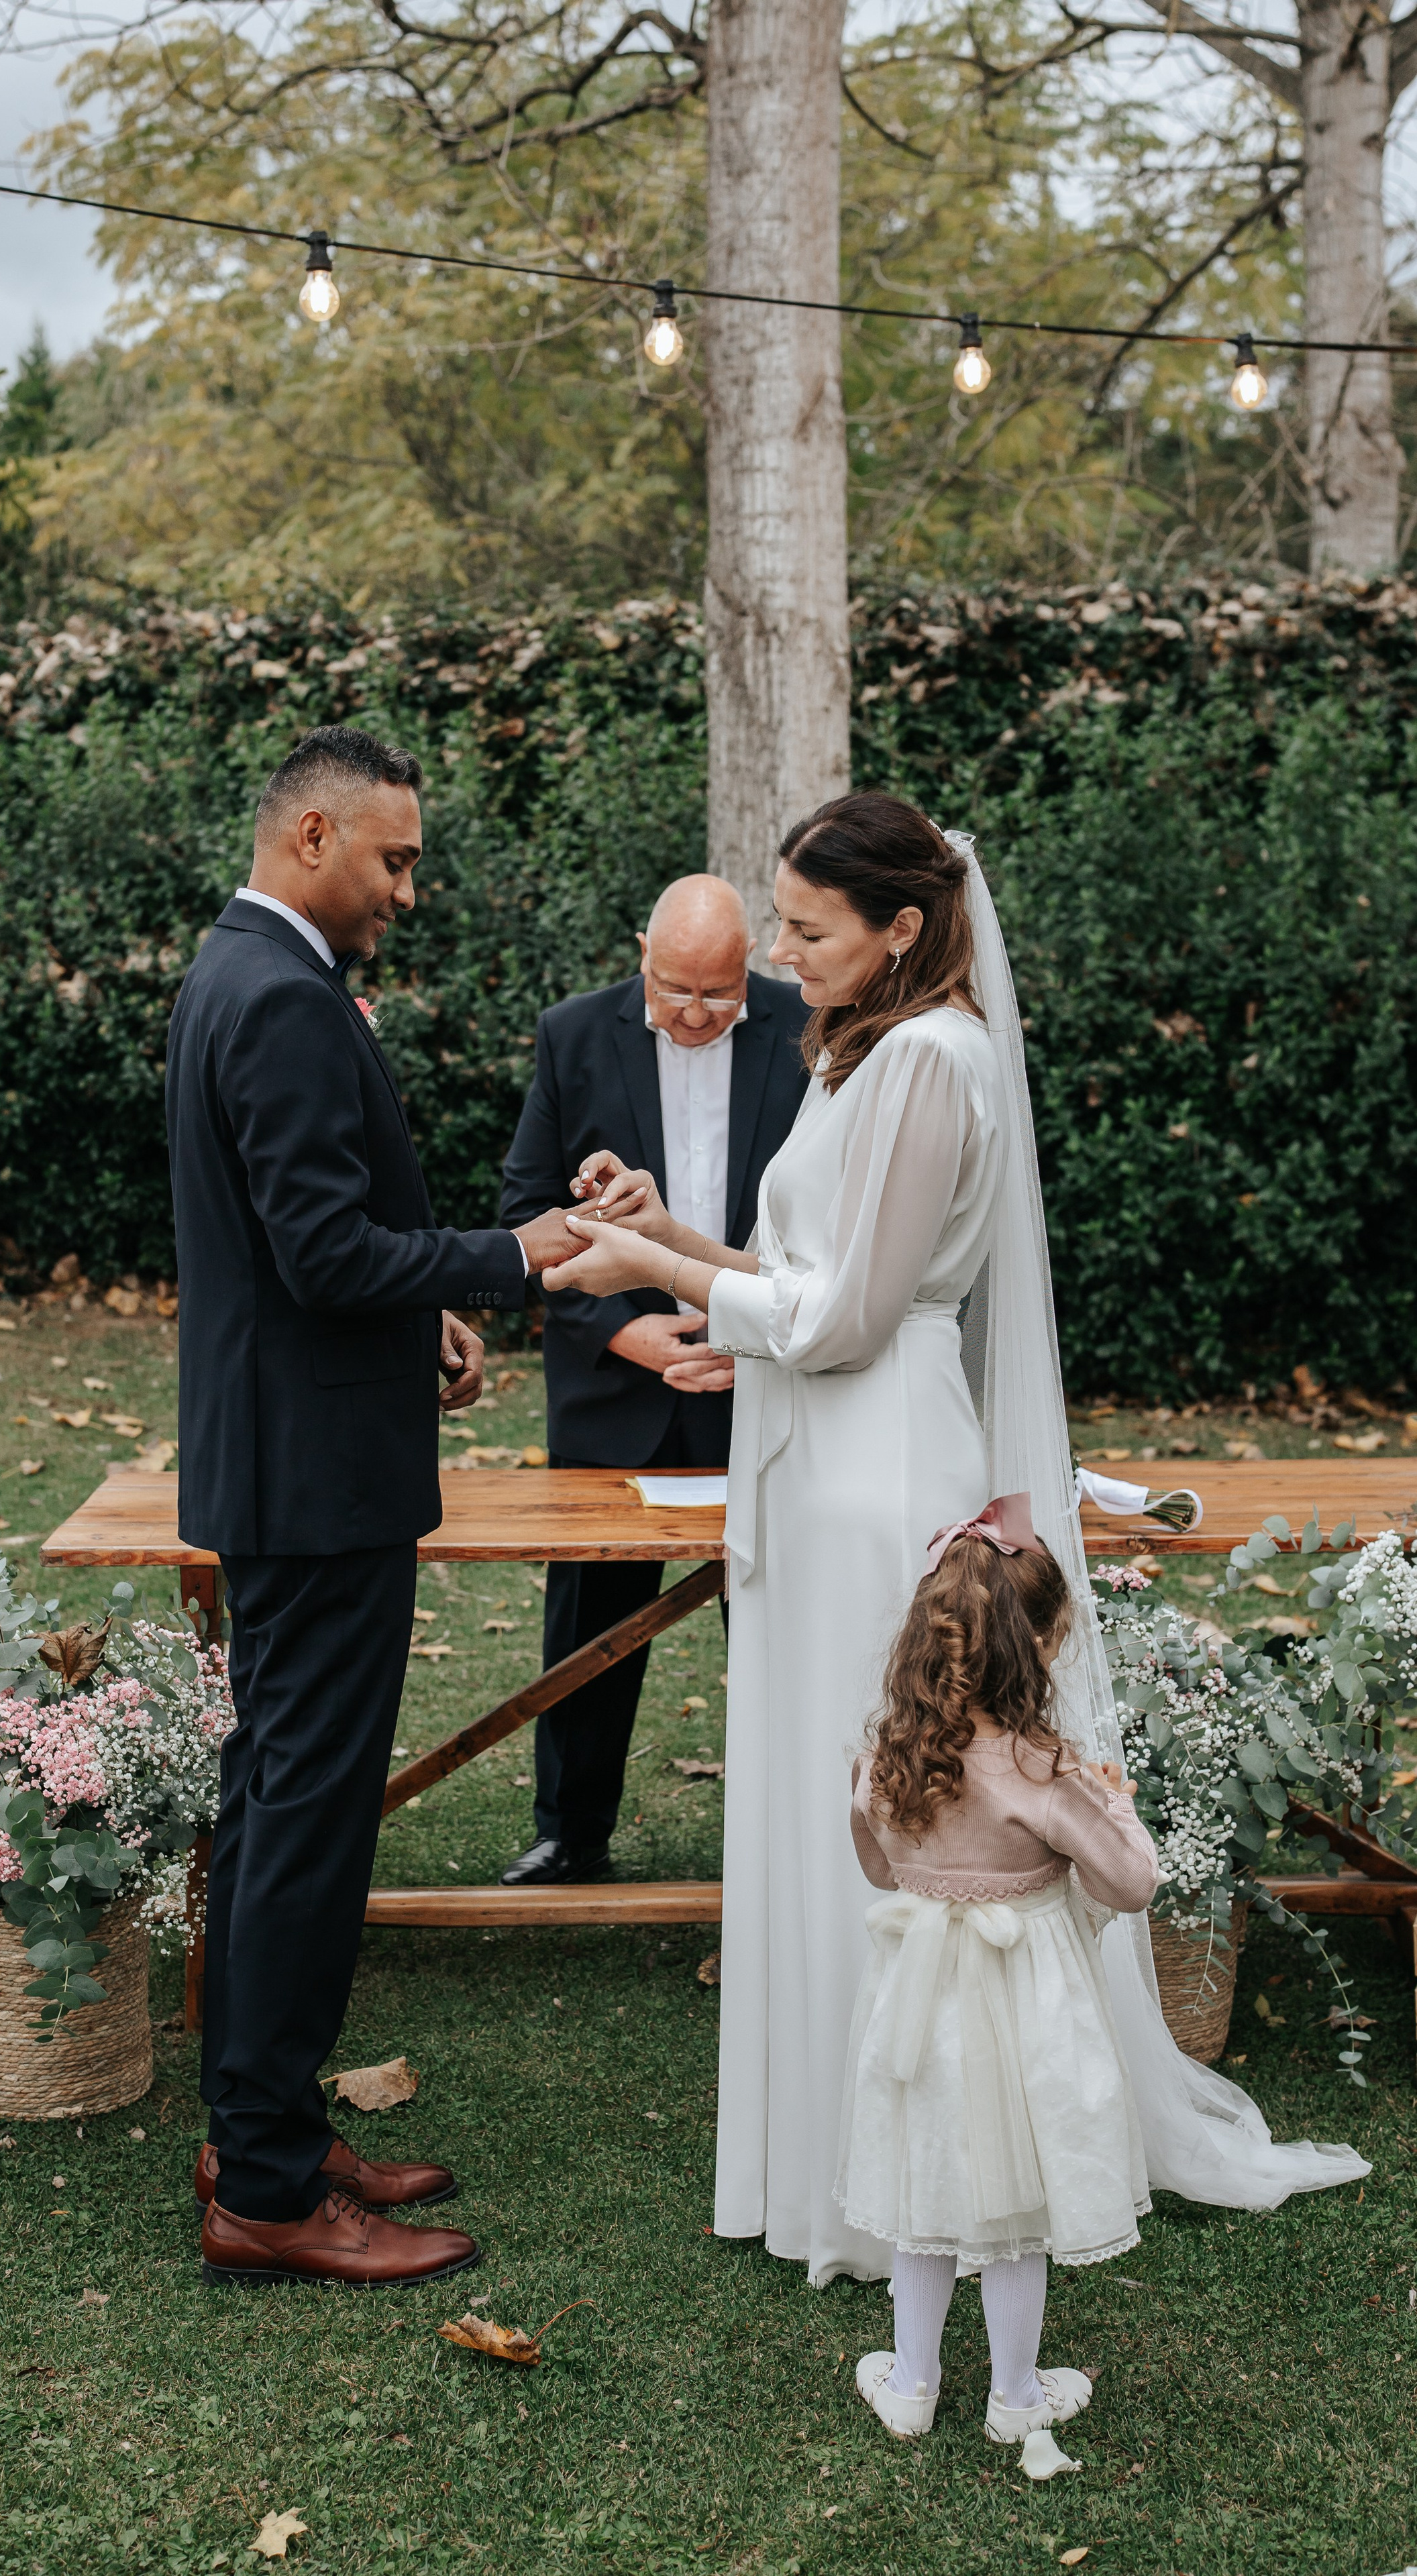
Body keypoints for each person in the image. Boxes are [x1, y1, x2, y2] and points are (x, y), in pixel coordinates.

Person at [541, 788, 1369, 2290]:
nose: (784, 955)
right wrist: (660, 1237)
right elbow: (798, 1271)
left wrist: (661, 1273)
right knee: (822, 1795)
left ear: (903, 928)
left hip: (879, 1467)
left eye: (810, 930)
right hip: (815, 1457)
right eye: (783, 924)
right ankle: (823, 2162)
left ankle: (908, 2189)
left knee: (894, 1803)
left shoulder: (933, 1057)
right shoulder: (860, 1051)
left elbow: (853, 1318)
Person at [166, 724, 578, 2289]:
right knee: (304, 1821)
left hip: (293, 1457)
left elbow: (307, 1246)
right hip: (315, 1481)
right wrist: (513, 1256)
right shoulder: (278, 995)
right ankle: (269, 2192)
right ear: (313, 836)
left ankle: (258, 2129)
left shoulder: (238, 971)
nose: (408, 890)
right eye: (394, 860)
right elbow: (323, 1252)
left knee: (279, 1802)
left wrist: (427, 1321)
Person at [496, 875, 808, 1886]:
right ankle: (569, 1832)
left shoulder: (811, 1032)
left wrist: (752, 1332)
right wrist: (623, 1334)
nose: (695, 1013)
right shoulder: (573, 1034)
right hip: (614, 1392)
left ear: (750, 965)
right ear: (642, 953)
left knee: (777, 1622)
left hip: (763, 1386)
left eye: (719, 993)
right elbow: (526, 1210)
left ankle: (786, 1843)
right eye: (675, 989)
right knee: (590, 1621)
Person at [840, 1497, 1158, 2453]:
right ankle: (1015, 2394)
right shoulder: (1044, 1770)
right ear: (1044, 1645)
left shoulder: (886, 1760)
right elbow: (1130, 1886)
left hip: (920, 2006)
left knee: (924, 2180)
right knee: (1016, 2201)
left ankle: (912, 2382)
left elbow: (879, 1871)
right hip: (1028, 2007)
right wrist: (1115, 1807)